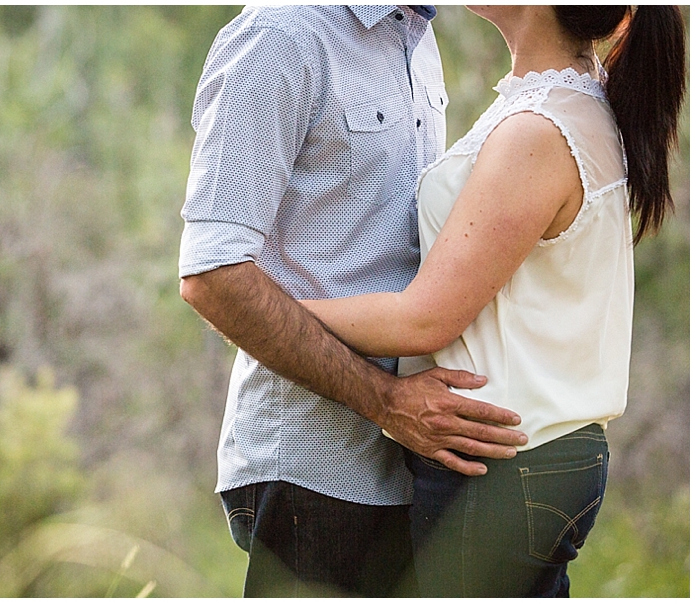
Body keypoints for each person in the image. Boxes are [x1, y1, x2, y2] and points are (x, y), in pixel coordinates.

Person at [300, 5, 686, 597]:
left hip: (500, 462)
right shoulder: (568, 104)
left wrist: (265, 310)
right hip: (528, 454)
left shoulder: (540, 129)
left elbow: (424, 317)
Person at [177, 5, 529, 597]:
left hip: (407, 469)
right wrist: (386, 402)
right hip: (311, 466)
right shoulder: (281, 35)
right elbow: (213, 275)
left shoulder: (418, 38)